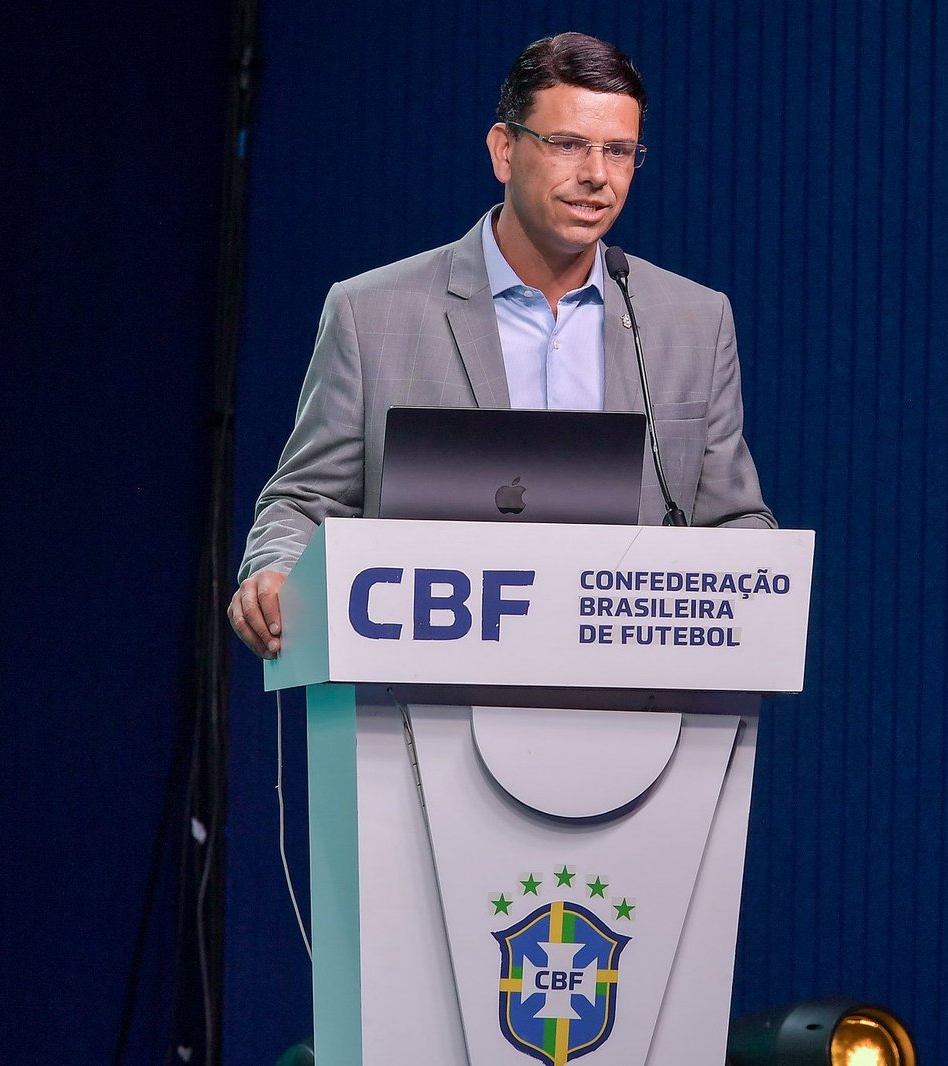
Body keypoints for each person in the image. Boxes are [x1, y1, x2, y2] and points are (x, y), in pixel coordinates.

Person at [228, 32, 774, 659]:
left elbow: (735, 520)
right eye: (568, 145)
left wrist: (759, 579)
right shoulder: (371, 313)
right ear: (504, 150)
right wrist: (273, 572)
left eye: (619, 152)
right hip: (419, 693)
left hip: (633, 702)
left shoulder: (694, 322)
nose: (596, 175)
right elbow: (304, 501)